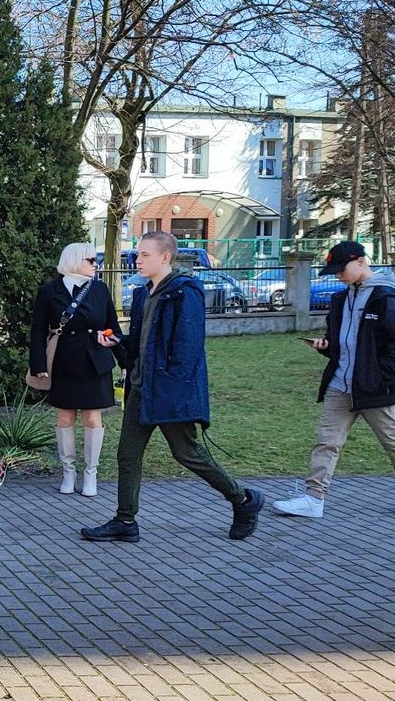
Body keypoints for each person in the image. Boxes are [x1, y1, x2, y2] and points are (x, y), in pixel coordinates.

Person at [81, 231, 262, 543]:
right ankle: (125, 521)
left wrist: (175, 391)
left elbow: (187, 349)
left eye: (144, 255)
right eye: (137, 254)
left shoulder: (184, 292)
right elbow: (143, 344)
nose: (137, 260)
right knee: (127, 454)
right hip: (141, 387)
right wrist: (118, 342)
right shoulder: (144, 294)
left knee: (187, 453)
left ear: (165, 257)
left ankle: (243, 500)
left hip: (169, 391)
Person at [273, 241, 395, 519]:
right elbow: (341, 342)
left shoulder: (385, 298)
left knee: (392, 440)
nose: (338, 275)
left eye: (341, 269)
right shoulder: (340, 299)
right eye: (334, 271)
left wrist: (383, 378)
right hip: (340, 384)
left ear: (361, 261)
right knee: (327, 440)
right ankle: (314, 498)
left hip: (373, 387)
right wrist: (327, 347)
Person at [28, 243, 119, 496]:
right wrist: (38, 364)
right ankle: (68, 473)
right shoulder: (49, 291)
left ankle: (91, 474)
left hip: (95, 362)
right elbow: (38, 330)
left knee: (93, 418)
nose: (96, 264)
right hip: (64, 361)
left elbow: (113, 327)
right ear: (74, 260)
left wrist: (124, 358)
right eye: (91, 260)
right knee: (65, 418)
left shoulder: (99, 289)